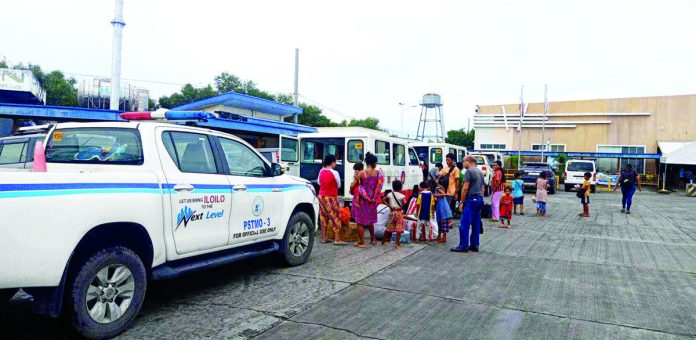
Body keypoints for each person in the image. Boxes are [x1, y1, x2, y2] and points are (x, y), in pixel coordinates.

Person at [451, 156, 485, 253]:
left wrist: (461, 202)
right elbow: (483, 187)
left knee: (464, 224)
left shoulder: (469, 172)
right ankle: (474, 245)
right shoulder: (479, 172)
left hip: (471, 199)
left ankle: (463, 245)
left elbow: (465, 188)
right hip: (479, 198)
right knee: (476, 223)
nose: (463, 163)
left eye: (464, 161)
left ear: (469, 161)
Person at [354, 152, 384, 248]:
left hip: (362, 200)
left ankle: (362, 242)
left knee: (360, 222)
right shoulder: (378, 173)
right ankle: (373, 239)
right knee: (370, 220)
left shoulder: (361, 173)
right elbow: (379, 186)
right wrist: (373, 198)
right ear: (373, 163)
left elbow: (354, 185)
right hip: (372, 200)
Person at [318, 155, 346, 245]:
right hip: (331, 197)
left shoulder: (321, 171)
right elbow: (338, 185)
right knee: (335, 216)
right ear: (333, 162)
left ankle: (323, 238)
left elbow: (319, 182)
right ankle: (337, 239)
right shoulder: (335, 173)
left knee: (323, 216)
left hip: (321, 196)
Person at [382, 180, 406, 248]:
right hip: (399, 213)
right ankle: (397, 243)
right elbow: (405, 203)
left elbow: (383, 199)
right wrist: (400, 208)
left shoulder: (390, 194)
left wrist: (389, 206)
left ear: (393, 187)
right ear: (401, 188)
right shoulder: (402, 196)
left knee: (388, 227)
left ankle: (384, 241)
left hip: (392, 212)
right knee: (398, 228)